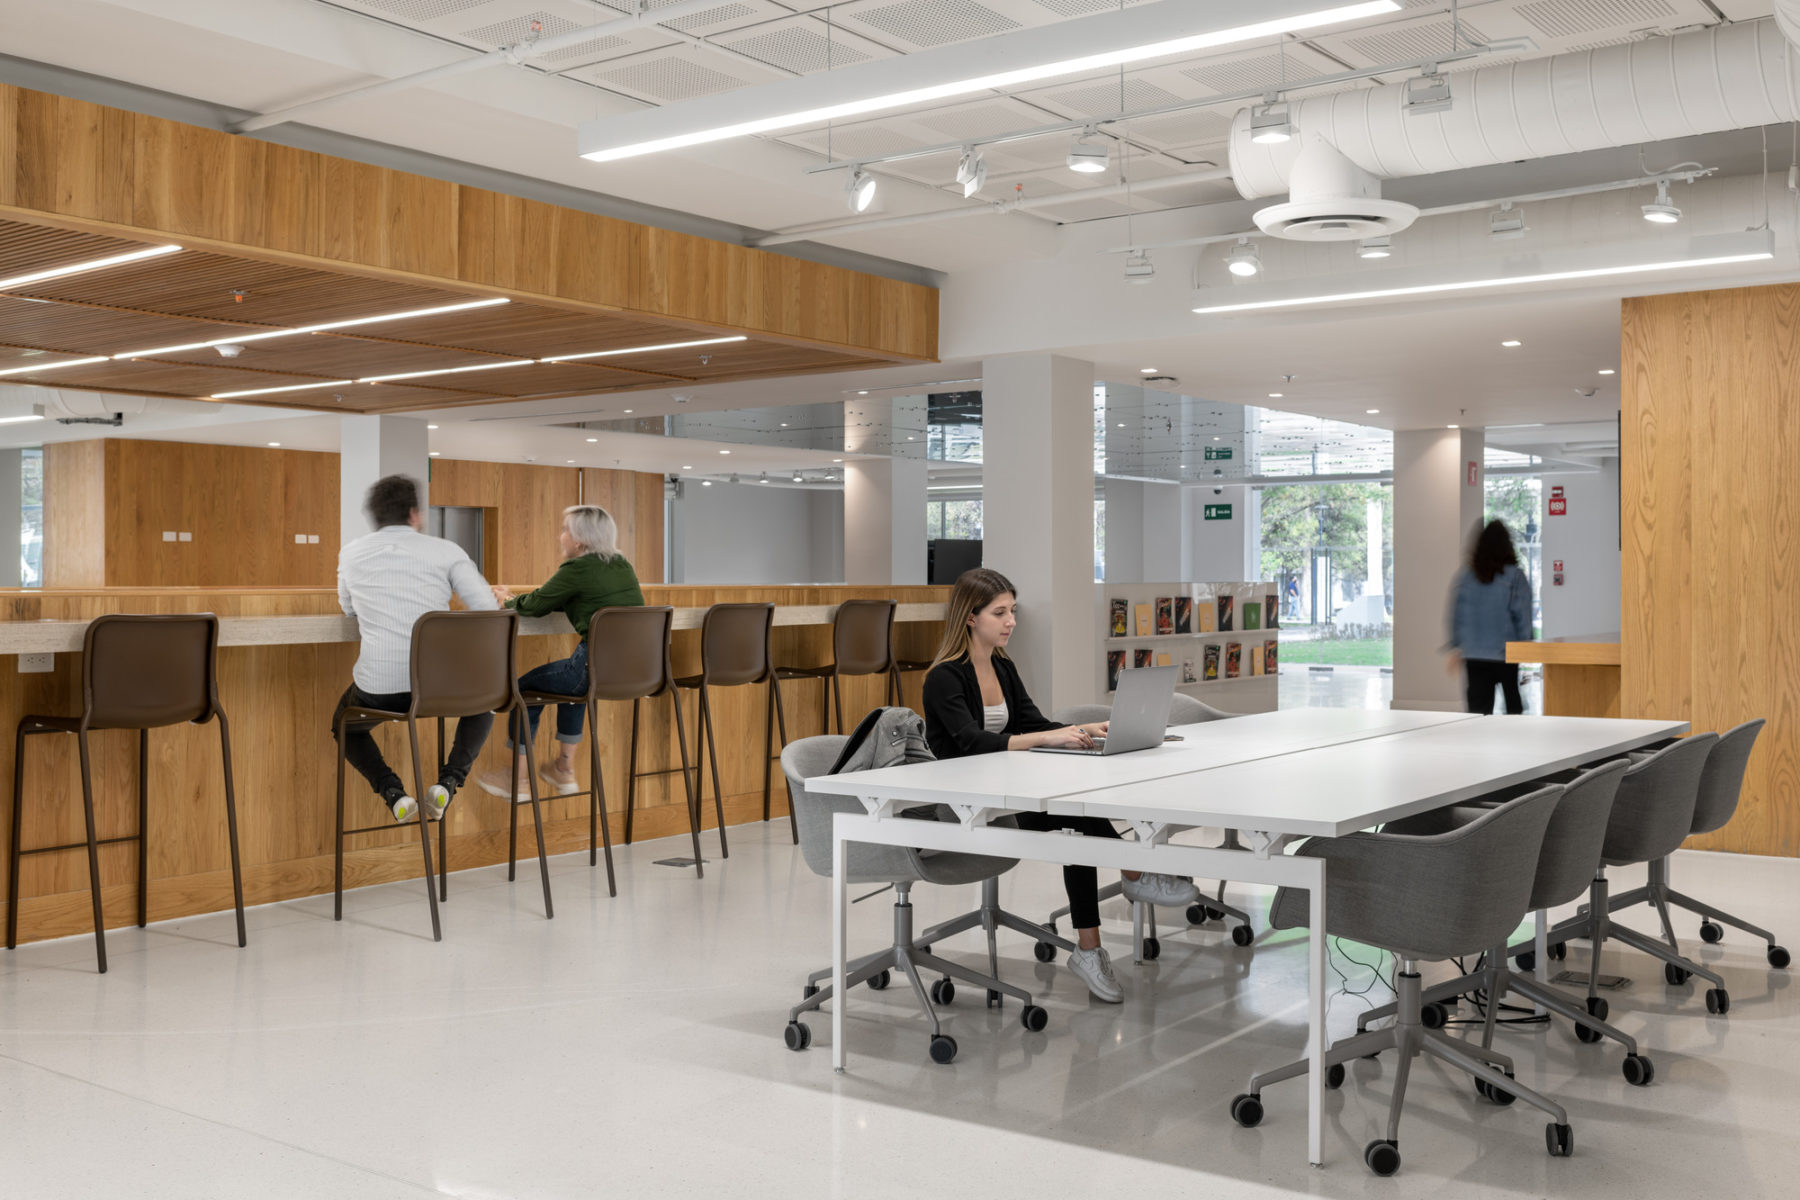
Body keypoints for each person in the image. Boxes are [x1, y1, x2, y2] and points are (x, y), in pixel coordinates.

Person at [921, 567, 1199, 1004]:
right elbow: (972, 743)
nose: (1011, 620)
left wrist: (1085, 727)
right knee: (1075, 818)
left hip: (1005, 793)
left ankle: (1092, 946)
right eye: (1000, 613)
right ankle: (1133, 874)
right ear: (970, 618)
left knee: (1078, 818)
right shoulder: (944, 677)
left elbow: (1033, 723)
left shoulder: (1002, 667)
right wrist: (1049, 738)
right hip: (967, 806)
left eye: (1012, 611)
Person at [334, 474, 497, 823]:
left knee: (344, 725)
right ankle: (449, 782)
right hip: (439, 689)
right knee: (483, 703)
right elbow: (488, 609)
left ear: (374, 516)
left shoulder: (351, 553)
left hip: (380, 691)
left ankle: (393, 793)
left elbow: (348, 610)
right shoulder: (446, 551)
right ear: (415, 514)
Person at [477, 505, 643, 800]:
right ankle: (563, 770)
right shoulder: (622, 565)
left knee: (522, 689)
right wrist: (516, 599)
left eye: (565, 529)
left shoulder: (577, 568)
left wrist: (506, 601)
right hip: (633, 670)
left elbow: (537, 605)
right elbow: (552, 600)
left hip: (591, 667)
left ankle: (518, 779)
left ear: (579, 540)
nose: (560, 535)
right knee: (575, 691)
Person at [1447, 518, 1534, 715]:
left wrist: (1456, 645)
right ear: (1507, 545)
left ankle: (1478, 744)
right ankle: (1515, 743)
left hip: (1474, 653)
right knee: (1513, 705)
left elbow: (1457, 615)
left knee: (1478, 712)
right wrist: (1526, 643)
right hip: (1505, 652)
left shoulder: (1465, 577)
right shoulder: (1514, 576)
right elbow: (1522, 612)